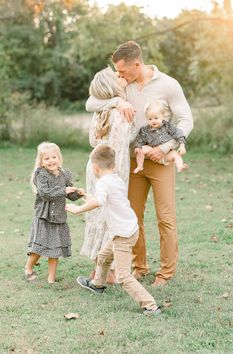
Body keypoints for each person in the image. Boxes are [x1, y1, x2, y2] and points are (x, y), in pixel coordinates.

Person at [86, 41, 193, 287]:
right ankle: (140, 267)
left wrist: (165, 147)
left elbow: (186, 119)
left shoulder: (168, 84)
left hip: (161, 161)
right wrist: (116, 102)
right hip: (132, 163)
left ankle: (165, 273)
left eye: (123, 71)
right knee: (133, 217)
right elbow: (90, 103)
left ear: (137, 64)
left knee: (165, 217)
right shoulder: (123, 85)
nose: (119, 75)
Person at [66, 145, 161, 316]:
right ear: (113, 165)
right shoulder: (115, 179)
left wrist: (77, 209)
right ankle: (97, 284)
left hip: (122, 235)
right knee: (103, 256)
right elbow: (103, 198)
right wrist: (85, 195)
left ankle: (150, 305)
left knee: (124, 276)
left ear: (94, 168)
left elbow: (99, 202)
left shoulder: (103, 183)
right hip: (129, 229)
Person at [81, 66, 137, 284]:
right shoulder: (122, 113)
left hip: (94, 167)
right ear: (110, 86)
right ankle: (108, 272)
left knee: (98, 215)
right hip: (111, 169)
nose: (121, 75)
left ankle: (99, 268)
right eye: (117, 76)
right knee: (110, 216)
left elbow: (93, 142)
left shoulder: (99, 112)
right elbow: (120, 148)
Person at [25, 142, 83, 283]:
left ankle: (51, 279)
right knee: (40, 245)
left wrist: (77, 193)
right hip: (43, 216)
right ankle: (28, 268)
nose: (51, 160)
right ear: (41, 162)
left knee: (55, 249)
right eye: (47, 158)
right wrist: (63, 190)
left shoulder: (65, 174)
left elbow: (70, 196)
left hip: (58, 217)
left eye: (54, 157)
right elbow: (45, 194)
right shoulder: (41, 175)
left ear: (59, 158)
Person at [133, 100, 188, 174]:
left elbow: (178, 133)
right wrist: (138, 147)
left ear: (162, 116)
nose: (153, 121)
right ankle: (140, 166)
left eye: (156, 118)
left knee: (176, 155)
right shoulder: (145, 130)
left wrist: (182, 145)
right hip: (152, 151)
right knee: (141, 149)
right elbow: (140, 139)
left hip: (167, 154)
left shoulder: (168, 126)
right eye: (150, 119)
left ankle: (180, 166)